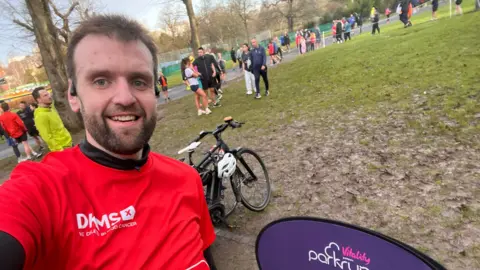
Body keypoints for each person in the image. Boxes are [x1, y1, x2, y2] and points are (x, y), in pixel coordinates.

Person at [0, 15, 218, 270]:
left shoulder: (186, 179)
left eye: (139, 81)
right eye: (101, 81)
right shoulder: (41, 191)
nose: (125, 97)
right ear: (73, 95)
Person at [32, 87, 73, 151]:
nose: (49, 96)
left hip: (69, 144)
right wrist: (60, 149)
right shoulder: (40, 116)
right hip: (62, 149)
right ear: (39, 100)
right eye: (45, 95)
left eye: (48, 94)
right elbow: (47, 137)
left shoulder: (51, 110)